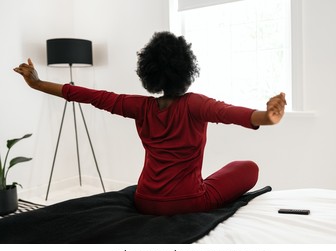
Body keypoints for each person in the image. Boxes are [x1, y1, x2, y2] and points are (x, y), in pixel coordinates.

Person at [14, 31, 286, 215]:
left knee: (226, 172)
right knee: (248, 168)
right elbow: (231, 113)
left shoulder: (140, 107)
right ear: (187, 69)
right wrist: (267, 117)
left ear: (150, 72)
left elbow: (88, 96)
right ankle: (194, 185)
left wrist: (37, 83)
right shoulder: (195, 104)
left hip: (145, 200)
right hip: (188, 201)